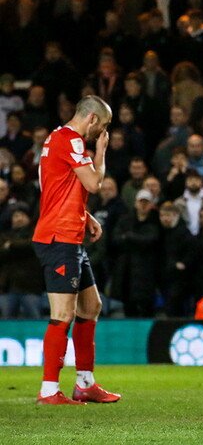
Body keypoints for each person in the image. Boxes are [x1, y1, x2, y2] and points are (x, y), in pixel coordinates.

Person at [31, 95, 121, 404]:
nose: (103, 132)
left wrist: (87, 216)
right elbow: (95, 184)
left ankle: (85, 383)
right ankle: (48, 391)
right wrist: (102, 152)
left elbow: (54, 186)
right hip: (59, 238)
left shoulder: (55, 138)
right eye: (104, 126)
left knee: (91, 306)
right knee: (62, 314)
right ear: (93, 119)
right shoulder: (73, 141)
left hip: (70, 234)